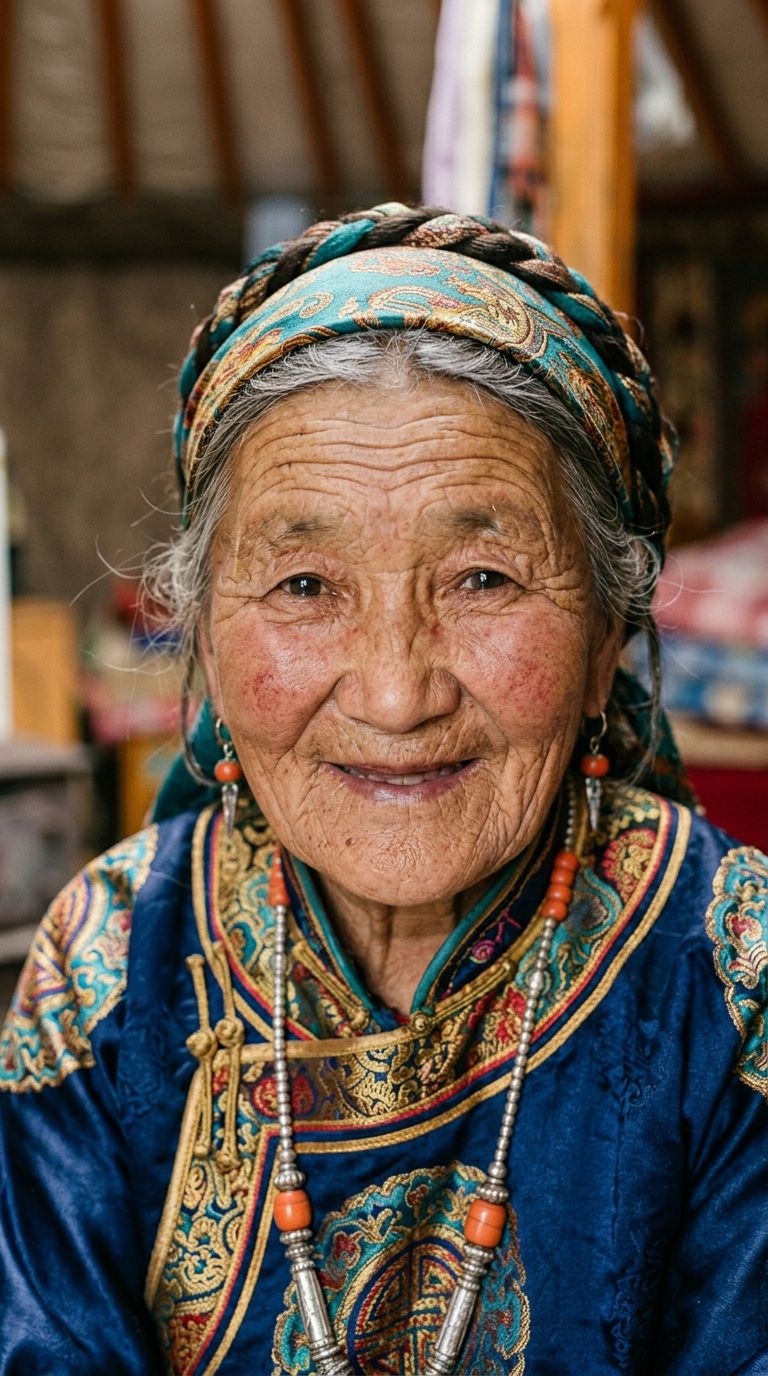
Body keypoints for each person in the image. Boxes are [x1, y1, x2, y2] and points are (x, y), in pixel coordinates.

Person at [1, 204, 766, 1376]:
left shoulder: (734, 966)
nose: (398, 691)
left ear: (612, 624)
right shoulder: (110, 964)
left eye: (485, 576)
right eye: (306, 581)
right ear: (200, 628)